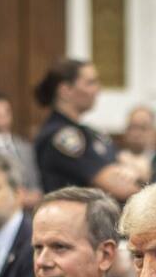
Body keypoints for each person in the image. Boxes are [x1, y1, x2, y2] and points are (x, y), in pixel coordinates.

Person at [32, 58, 141, 200]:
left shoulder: (90, 132)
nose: (97, 89)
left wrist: (135, 169)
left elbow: (133, 163)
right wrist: (138, 173)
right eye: (90, 83)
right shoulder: (61, 137)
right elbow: (119, 187)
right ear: (65, 90)